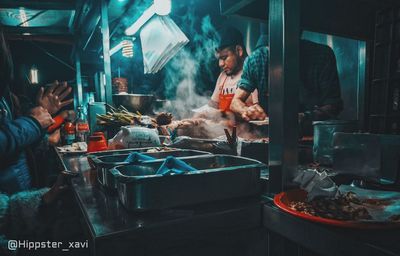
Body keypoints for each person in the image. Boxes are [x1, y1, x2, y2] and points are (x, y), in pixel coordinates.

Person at [0, 32, 73, 193]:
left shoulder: (5, 96)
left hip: (17, 195)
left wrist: (40, 124)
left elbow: (17, 144)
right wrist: (33, 123)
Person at [230, 35, 343, 134]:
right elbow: (235, 102)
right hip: (269, 137)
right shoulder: (256, 60)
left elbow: (333, 106)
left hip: (312, 136)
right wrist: (246, 110)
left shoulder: (321, 56)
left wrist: (304, 117)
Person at [194, 27, 258, 119]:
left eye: (224, 58)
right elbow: (212, 106)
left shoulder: (252, 74)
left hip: (246, 132)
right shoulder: (223, 76)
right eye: (219, 59)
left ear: (239, 50)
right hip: (223, 132)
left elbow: (257, 114)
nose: (220, 64)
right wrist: (194, 120)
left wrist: (223, 115)